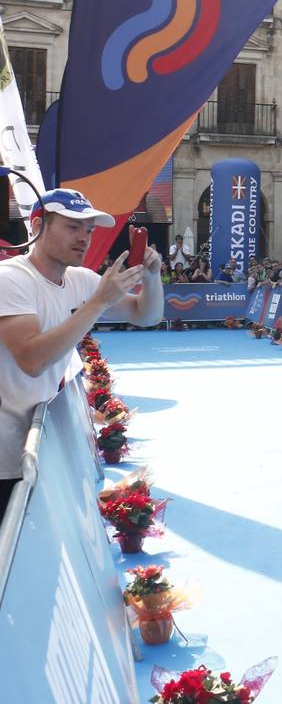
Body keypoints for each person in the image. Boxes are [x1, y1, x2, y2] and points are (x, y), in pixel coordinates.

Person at [0, 190, 165, 521]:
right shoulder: (10, 279)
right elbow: (32, 360)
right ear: (37, 226)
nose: (85, 238)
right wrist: (99, 302)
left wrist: (151, 276)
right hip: (5, 458)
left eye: (89, 230)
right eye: (73, 227)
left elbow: (145, 315)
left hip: (40, 446)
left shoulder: (79, 279)